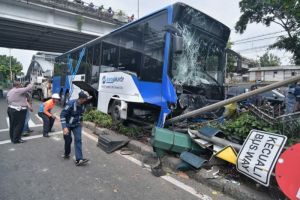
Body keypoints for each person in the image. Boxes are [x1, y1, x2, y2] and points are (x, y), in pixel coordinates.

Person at [60, 91, 91, 166]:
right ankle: (67, 154)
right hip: (68, 124)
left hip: (76, 125)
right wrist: (64, 127)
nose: (86, 100)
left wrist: (81, 121)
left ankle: (79, 159)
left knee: (78, 139)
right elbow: (62, 115)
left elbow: (81, 114)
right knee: (68, 140)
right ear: (81, 99)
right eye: (85, 99)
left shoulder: (83, 105)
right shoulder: (70, 104)